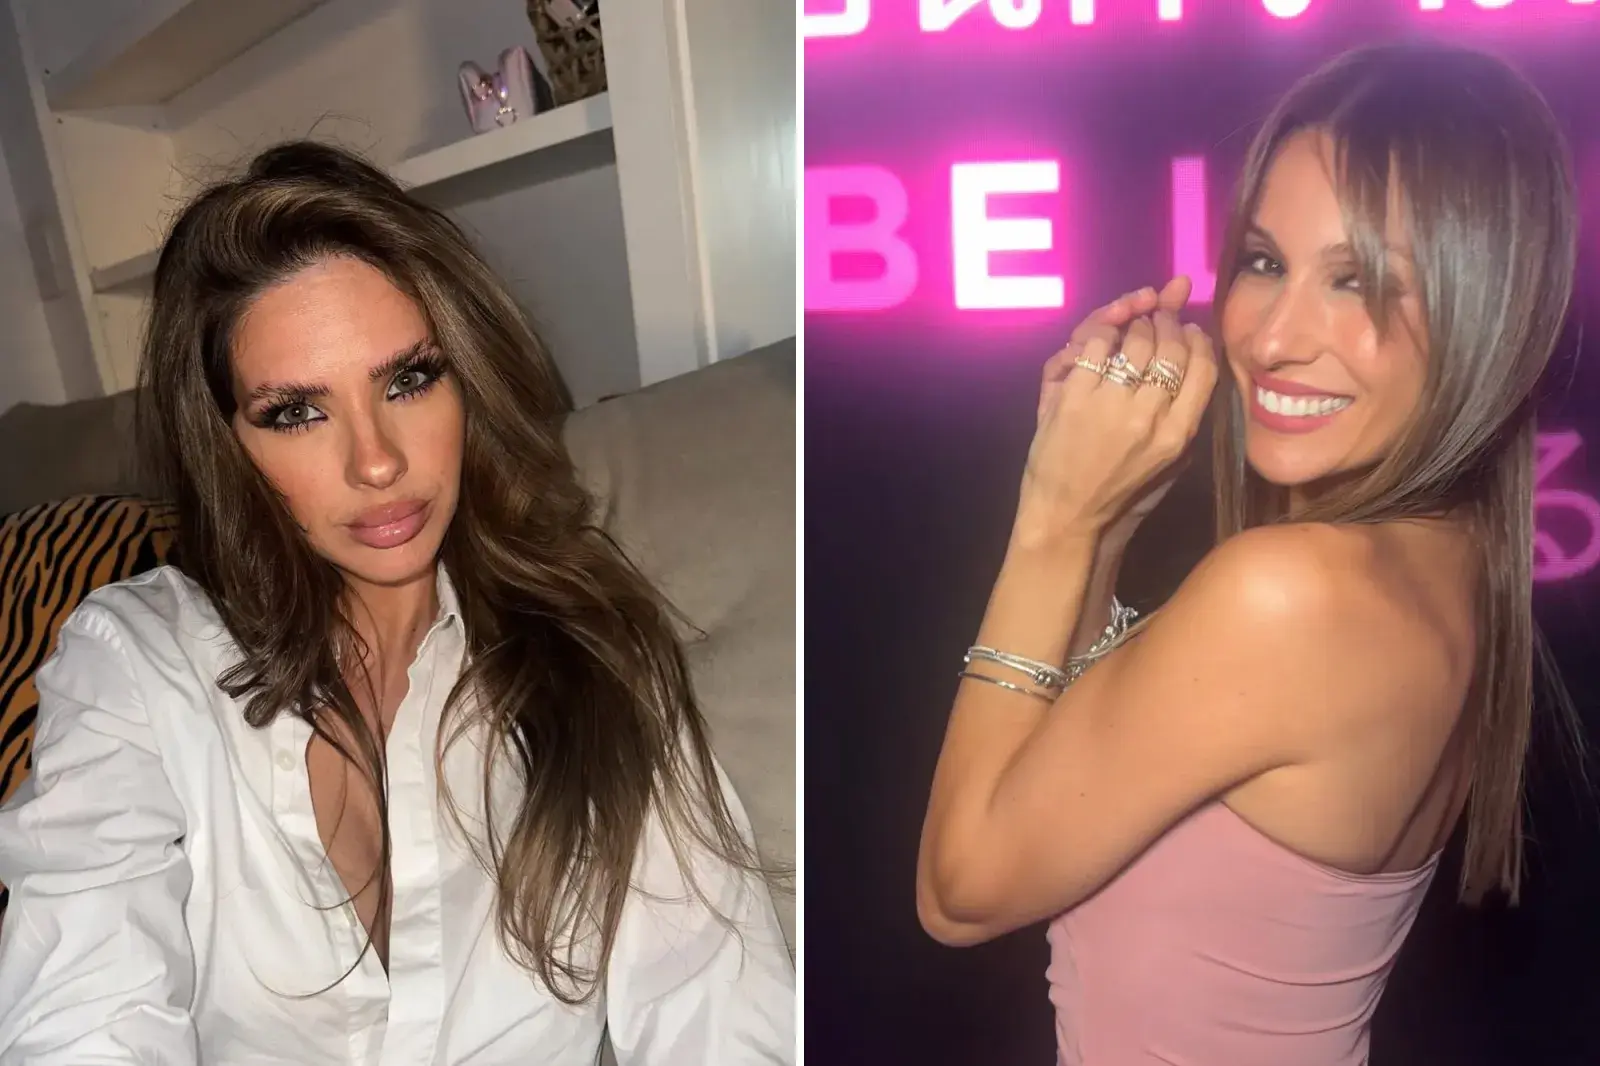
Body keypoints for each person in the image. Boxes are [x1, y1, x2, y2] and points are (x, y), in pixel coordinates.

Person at [0, 141, 793, 1064]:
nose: (375, 462)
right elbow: (83, 1011)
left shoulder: (595, 660)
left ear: (469, 383)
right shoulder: (137, 667)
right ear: (226, 445)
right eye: (297, 411)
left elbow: (719, 1010)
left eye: (408, 380)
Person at [915, 40, 1576, 1065]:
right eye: (1265, 263)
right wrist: (1110, 518)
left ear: (1483, 313)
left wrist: (1054, 514)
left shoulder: (1289, 595)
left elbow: (959, 891)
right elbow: (1072, 775)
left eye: (1357, 282)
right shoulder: (1450, 567)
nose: (1271, 338)